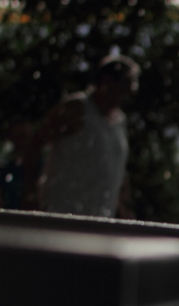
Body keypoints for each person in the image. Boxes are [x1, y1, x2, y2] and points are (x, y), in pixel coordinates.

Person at [23, 54, 139, 217]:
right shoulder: (76, 108)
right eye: (126, 85)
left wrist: (126, 210)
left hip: (100, 219)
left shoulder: (120, 121)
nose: (130, 92)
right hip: (61, 213)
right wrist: (30, 195)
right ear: (106, 81)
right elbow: (34, 146)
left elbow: (117, 168)